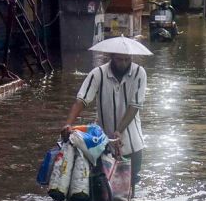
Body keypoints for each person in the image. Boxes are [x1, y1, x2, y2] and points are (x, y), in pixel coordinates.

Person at [62, 53, 147, 192]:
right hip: (102, 143)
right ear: (112, 57)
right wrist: (68, 124)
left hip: (132, 143)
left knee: (128, 190)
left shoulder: (139, 72)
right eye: (119, 59)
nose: (123, 63)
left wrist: (119, 130)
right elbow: (81, 100)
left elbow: (135, 106)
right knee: (102, 188)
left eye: (127, 59)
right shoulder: (98, 74)